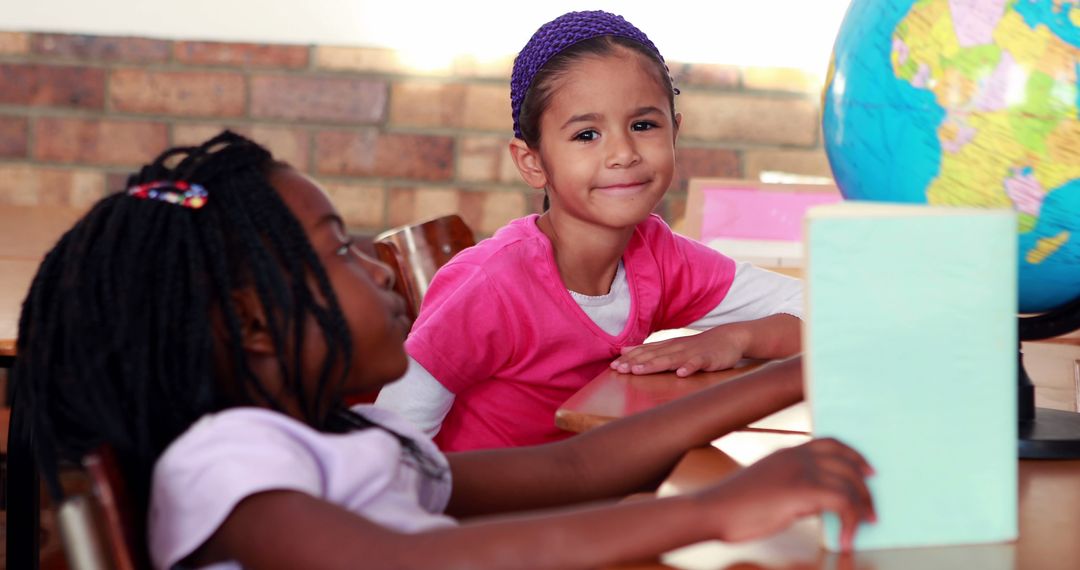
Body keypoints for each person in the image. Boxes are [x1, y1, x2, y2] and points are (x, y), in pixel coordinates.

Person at [13, 131, 874, 569]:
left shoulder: (353, 442)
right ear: (255, 324)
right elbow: (401, 563)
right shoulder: (230, 458)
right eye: (340, 248)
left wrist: (809, 369)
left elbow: (578, 471)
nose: (381, 270)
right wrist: (710, 511)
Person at [377, 10, 805, 451]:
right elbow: (391, 442)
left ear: (674, 133)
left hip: (586, 493)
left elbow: (827, 312)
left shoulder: (659, 258)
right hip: (482, 510)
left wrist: (735, 338)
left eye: (643, 125)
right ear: (533, 162)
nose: (623, 153)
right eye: (586, 135)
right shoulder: (490, 284)